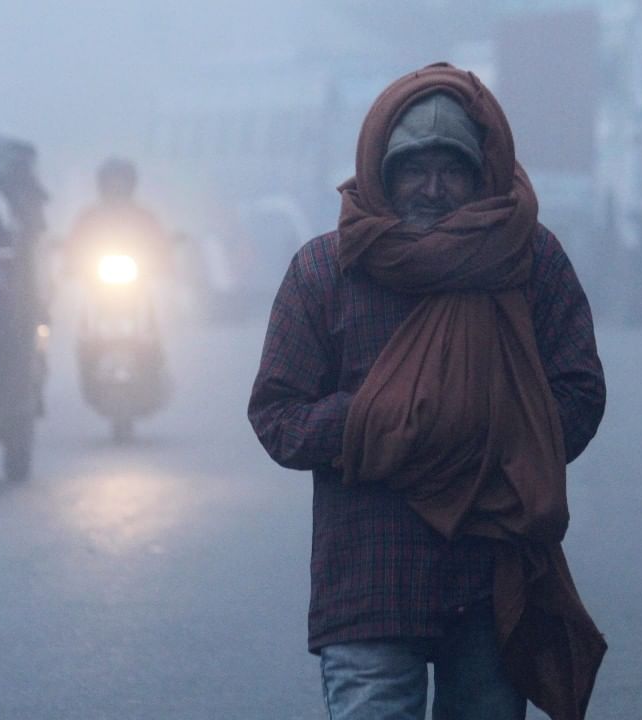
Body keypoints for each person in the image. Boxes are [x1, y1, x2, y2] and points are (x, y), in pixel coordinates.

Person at [248, 63, 607, 720]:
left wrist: (493, 436)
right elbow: (277, 417)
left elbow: (580, 392)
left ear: (481, 175)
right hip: (370, 589)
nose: (434, 189)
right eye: (415, 168)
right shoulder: (325, 272)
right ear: (381, 171)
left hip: (490, 586)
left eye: (454, 169)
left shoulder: (528, 261)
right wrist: (379, 421)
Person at [64, 157, 172, 284]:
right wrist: (72, 262)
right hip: (93, 282)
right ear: (102, 187)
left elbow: (159, 245)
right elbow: (74, 246)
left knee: (163, 297)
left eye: (121, 186)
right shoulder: (88, 218)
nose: (116, 191)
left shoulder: (145, 219)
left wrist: (162, 260)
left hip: (141, 283)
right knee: (71, 297)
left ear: (131, 186)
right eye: (111, 186)